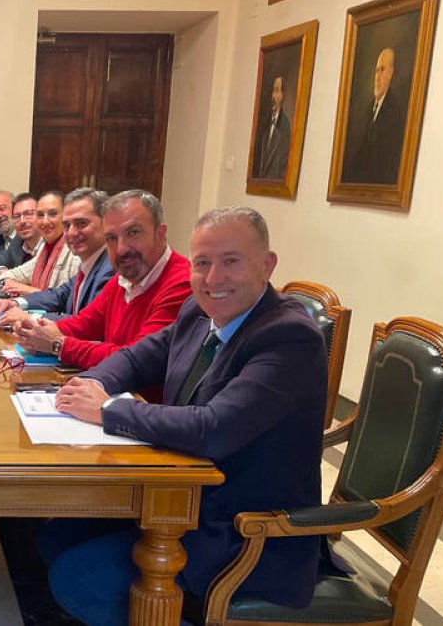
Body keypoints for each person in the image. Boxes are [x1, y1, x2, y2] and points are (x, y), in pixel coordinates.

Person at [44, 206, 327, 625]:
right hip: (180, 493)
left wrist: (106, 409)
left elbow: (212, 428)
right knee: (55, 534)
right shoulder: (199, 311)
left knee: (76, 580)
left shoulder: (288, 337)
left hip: (243, 531)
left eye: (230, 261)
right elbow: (136, 359)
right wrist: (89, 384)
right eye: (202, 263)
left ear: (267, 265)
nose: (213, 279)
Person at [13, 190, 190, 400]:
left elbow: (136, 360)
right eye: (112, 238)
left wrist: (59, 344)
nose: (121, 249)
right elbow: (85, 323)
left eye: (133, 232)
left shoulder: (181, 283)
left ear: (160, 233)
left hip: (143, 407)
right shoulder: (122, 279)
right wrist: (36, 330)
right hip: (112, 393)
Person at [0, 188, 113, 323]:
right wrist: (17, 303)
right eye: (67, 225)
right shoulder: (88, 263)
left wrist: (30, 318)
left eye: (81, 223)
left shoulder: (111, 268)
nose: (71, 232)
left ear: (106, 222)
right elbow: (59, 295)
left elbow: (89, 323)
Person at [343, 47, 406, 185]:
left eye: (382, 70)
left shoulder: (395, 112)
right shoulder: (367, 110)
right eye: (376, 71)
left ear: (390, 73)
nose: (377, 77)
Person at [0, 190, 78, 296]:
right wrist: (10, 284)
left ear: (66, 216)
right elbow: (8, 275)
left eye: (52, 214)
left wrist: (28, 290)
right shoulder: (45, 251)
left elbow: (71, 300)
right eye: (40, 215)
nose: (45, 221)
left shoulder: (76, 253)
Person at [252, 76, 291, 180]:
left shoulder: (285, 126)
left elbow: (283, 166)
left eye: (277, 91)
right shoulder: (264, 123)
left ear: (282, 96)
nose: (273, 96)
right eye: (272, 91)